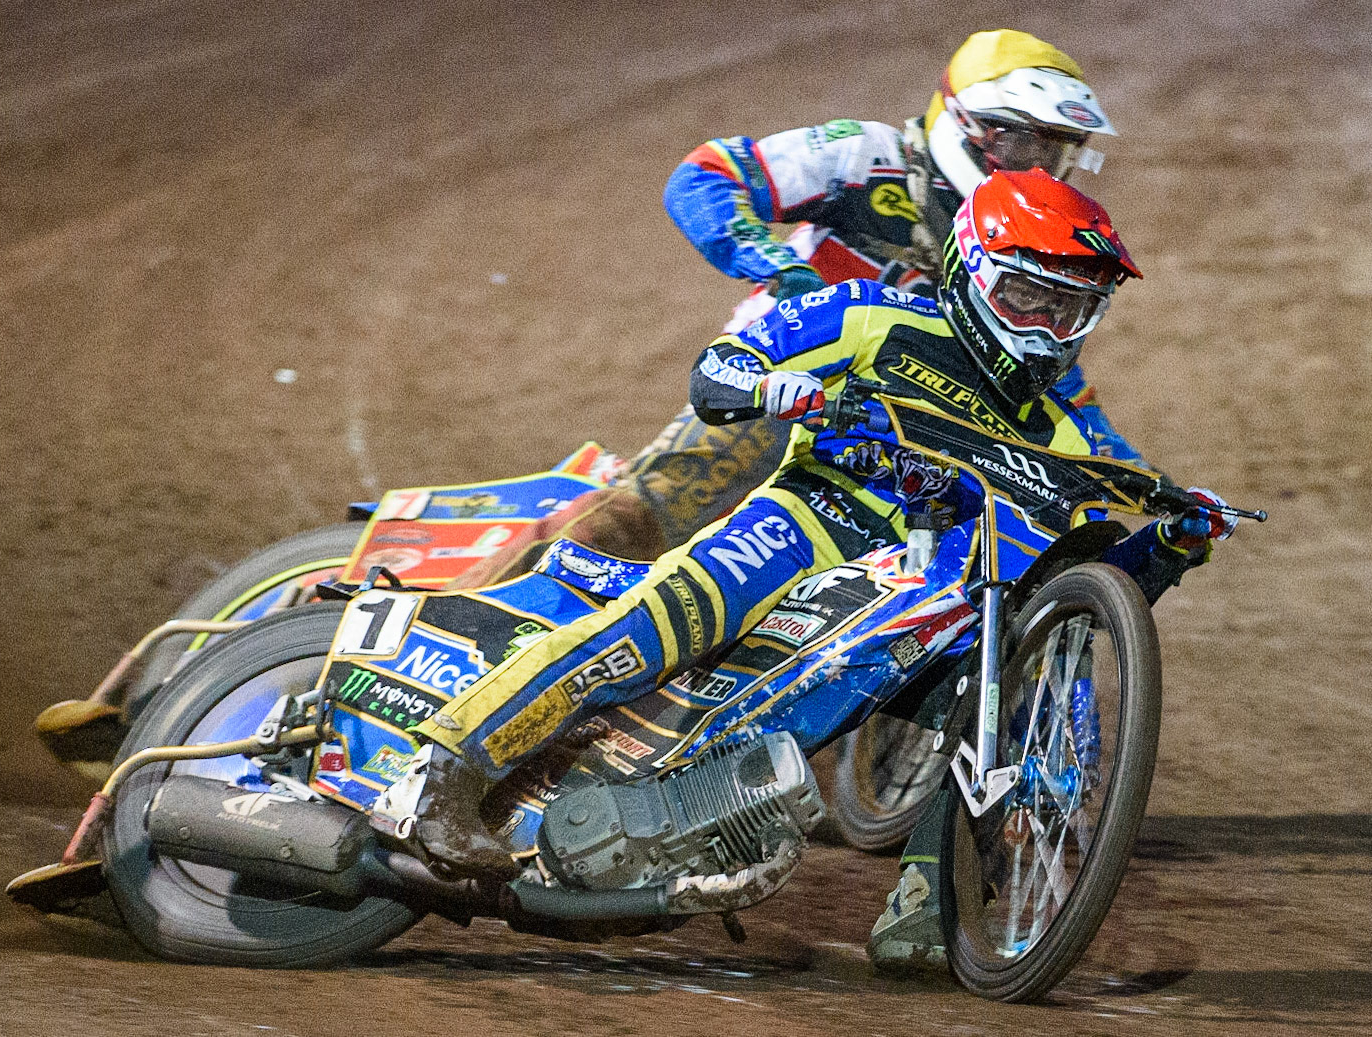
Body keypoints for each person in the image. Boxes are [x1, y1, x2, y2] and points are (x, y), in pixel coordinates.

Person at [397, 172, 1236, 960]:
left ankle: (925, 905)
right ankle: (446, 769)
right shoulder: (876, 316)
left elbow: (1091, 598)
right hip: (804, 523)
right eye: (1028, 297)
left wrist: (1172, 543)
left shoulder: (1069, 441)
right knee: (650, 628)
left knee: (1009, 685)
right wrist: (785, 391)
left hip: (916, 605)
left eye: (1070, 308)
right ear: (974, 274)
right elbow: (720, 371)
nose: (1046, 327)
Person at [448, 29, 1147, 591]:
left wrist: (1136, 478)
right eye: (1023, 142)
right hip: (783, 382)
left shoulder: (1035, 242)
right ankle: (449, 613)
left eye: (1056, 153)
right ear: (966, 124)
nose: (1037, 170)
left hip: (910, 426)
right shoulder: (870, 155)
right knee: (636, 521)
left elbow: (1046, 363)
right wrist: (779, 268)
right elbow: (706, 175)